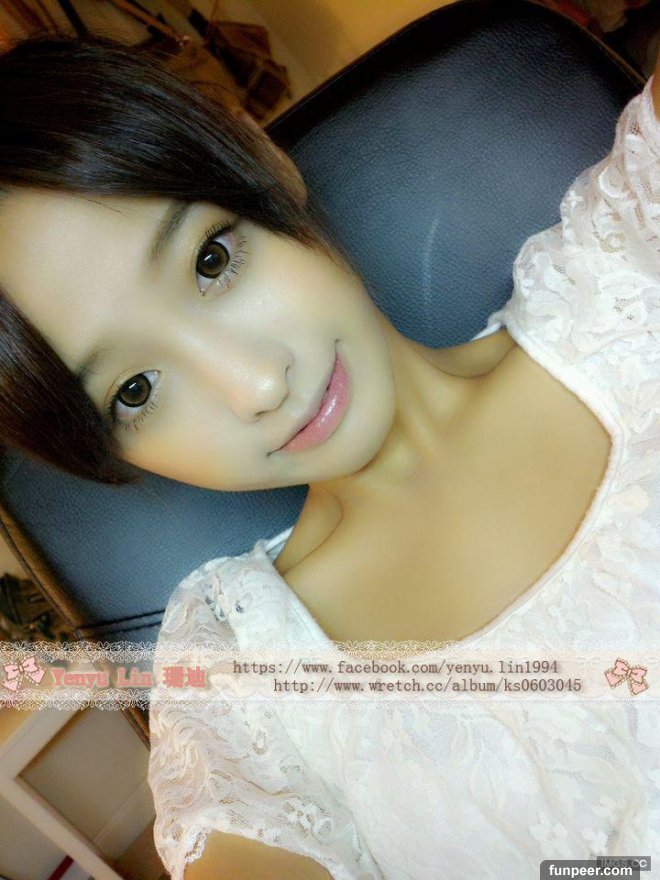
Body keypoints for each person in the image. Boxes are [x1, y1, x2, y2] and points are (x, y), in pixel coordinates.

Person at [0, 30, 658, 880]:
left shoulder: (628, 260)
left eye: (211, 261)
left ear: (261, 164)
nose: (254, 385)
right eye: (135, 391)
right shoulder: (246, 679)